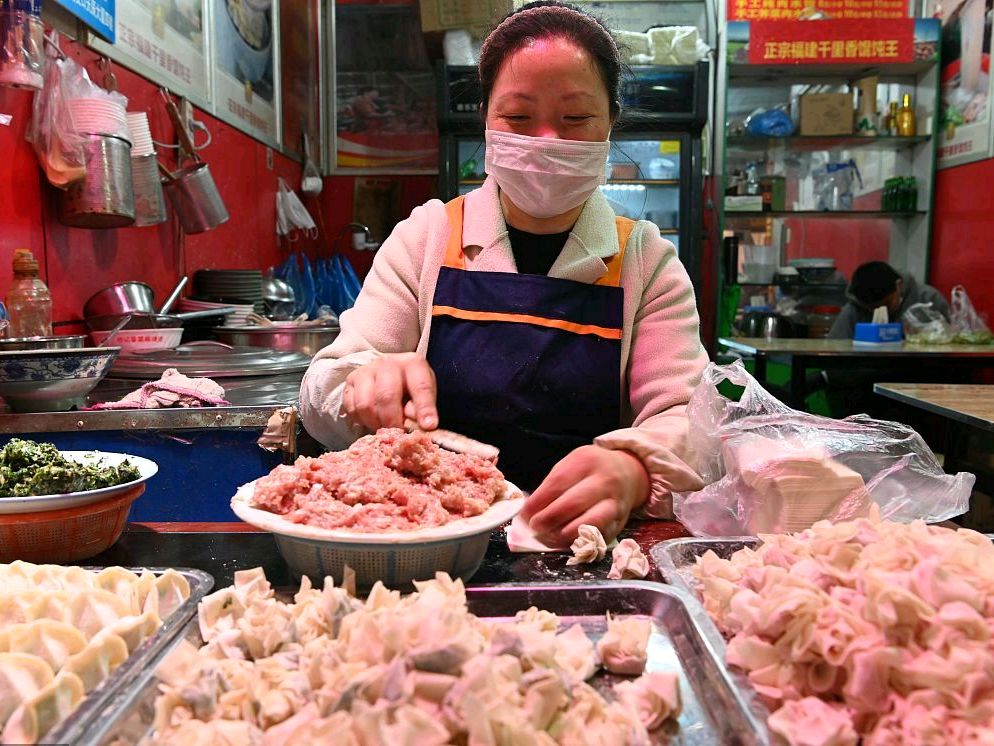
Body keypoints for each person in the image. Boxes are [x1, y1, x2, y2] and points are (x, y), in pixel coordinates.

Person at [299, 0, 707, 546]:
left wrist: (635, 468)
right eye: (518, 117)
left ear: (611, 121)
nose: (546, 140)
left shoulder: (646, 262)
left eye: (576, 118)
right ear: (487, 121)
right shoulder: (426, 237)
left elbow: (688, 419)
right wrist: (358, 385)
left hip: (583, 546)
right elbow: (322, 391)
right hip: (429, 539)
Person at [828, 261, 949, 339]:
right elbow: (834, 349)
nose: (881, 311)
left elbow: (953, 343)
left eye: (887, 304)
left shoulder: (928, 299)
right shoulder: (854, 309)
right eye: (872, 309)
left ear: (899, 285)